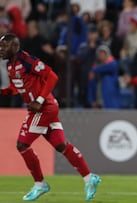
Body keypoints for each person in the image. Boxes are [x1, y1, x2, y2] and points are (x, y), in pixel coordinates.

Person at [0, 33, 101, 201]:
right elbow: (15, 89)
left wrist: (39, 100)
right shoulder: (10, 66)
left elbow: (52, 76)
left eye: (4, 46)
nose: (0, 50)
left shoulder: (26, 60)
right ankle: (90, 178)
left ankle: (40, 184)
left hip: (44, 108)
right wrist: (2, 91)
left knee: (22, 144)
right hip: (41, 108)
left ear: (15, 47)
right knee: (61, 145)